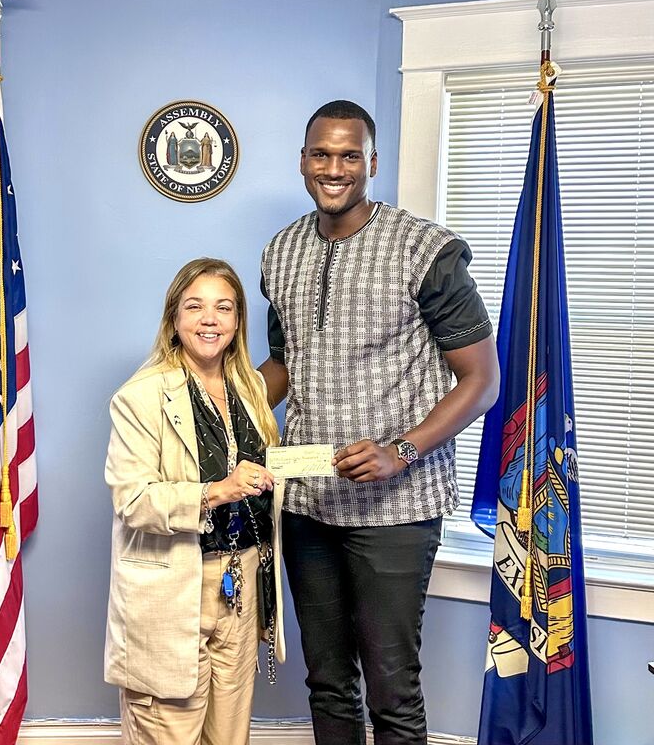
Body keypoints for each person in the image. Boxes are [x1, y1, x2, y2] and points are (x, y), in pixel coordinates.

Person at [259, 100, 500, 745]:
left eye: (349, 155)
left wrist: (403, 448)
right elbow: (288, 362)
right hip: (308, 500)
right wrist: (229, 396)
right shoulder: (279, 252)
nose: (333, 168)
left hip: (396, 506)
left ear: (372, 161)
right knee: (327, 678)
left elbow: (482, 382)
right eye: (320, 153)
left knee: (392, 684)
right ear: (303, 160)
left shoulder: (427, 250)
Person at [104, 258, 285, 745]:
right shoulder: (140, 396)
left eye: (224, 308)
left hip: (243, 581)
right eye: (196, 306)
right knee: (169, 729)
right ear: (174, 318)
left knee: (229, 735)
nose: (211, 319)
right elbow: (133, 499)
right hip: (175, 583)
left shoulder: (249, 387)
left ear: (238, 321)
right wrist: (216, 490)